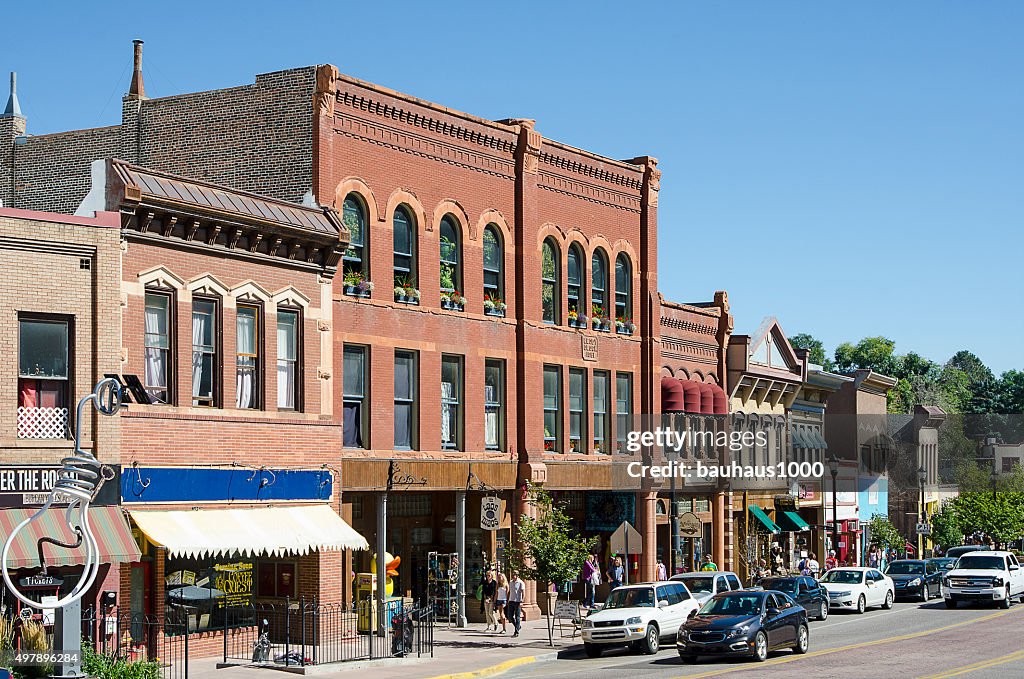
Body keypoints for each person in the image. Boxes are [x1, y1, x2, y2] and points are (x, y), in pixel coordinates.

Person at [508, 572, 525, 637]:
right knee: (510, 616)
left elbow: (523, 592)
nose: (513, 576)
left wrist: (522, 601)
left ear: (517, 575)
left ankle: (516, 632)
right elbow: (509, 591)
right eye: (512, 575)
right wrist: (508, 599)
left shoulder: (521, 583)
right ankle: (517, 626)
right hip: (511, 601)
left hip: (517, 601)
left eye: (514, 575)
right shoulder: (510, 582)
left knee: (517, 616)